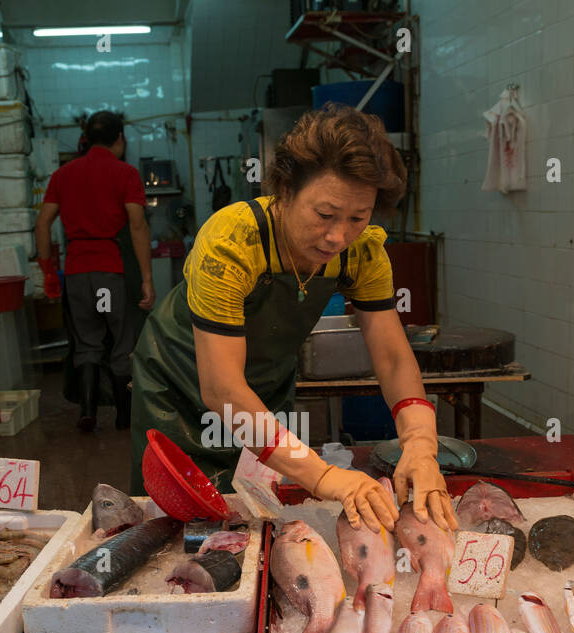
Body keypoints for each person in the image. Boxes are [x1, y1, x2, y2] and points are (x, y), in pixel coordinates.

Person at [129, 104, 456, 533]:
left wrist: (420, 445)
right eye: (324, 215)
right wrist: (322, 476)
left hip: (263, 388)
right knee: (176, 525)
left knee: (257, 517)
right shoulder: (231, 244)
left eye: (357, 218)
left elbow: (394, 358)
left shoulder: (363, 251)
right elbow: (222, 388)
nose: (338, 236)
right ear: (285, 191)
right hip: (179, 385)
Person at [36, 111, 156, 431]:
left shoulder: (63, 175)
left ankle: (87, 412)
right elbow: (137, 224)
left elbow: (42, 225)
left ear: (86, 139)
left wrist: (48, 270)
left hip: (77, 273)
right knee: (121, 343)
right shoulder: (125, 174)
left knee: (87, 343)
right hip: (109, 274)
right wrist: (146, 278)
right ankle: (123, 416)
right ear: (120, 139)